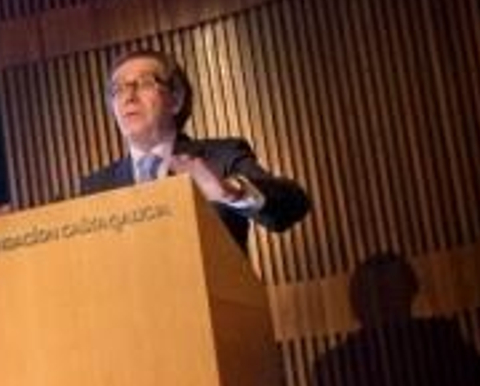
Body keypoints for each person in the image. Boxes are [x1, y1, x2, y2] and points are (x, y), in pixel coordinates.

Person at [79, 48, 309, 247]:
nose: (128, 96)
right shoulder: (95, 187)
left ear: (176, 99)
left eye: (145, 83)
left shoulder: (221, 157)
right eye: (118, 89)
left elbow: (293, 205)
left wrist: (231, 192)